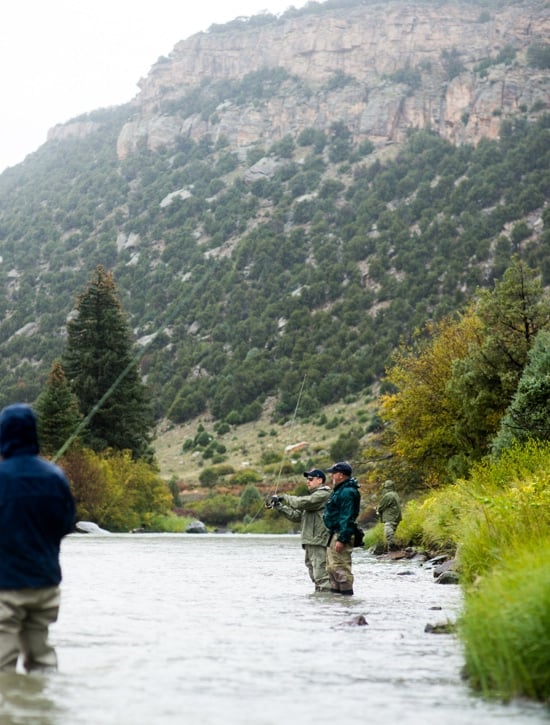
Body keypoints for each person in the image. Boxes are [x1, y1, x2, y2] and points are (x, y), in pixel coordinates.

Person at [0, 404, 75, 673]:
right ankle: (44, 711)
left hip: (6, 587)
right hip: (45, 585)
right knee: (42, 660)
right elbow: (66, 524)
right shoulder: (56, 477)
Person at [268, 469, 332, 592]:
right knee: (314, 575)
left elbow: (301, 503)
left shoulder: (323, 494)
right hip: (310, 541)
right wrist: (278, 506)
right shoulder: (312, 499)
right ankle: (321, 605)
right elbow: (296, 516)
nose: (307, 482)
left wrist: (284, 497)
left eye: (311, 479)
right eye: (307, 479)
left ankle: (329, 604)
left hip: (319, 540)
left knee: (321, 576)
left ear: (320, 480)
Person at [323, 461, 361, 595]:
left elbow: (348, 516)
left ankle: (346, 603)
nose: (332, 476)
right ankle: (337, 603)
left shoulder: (347, 492)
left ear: (340, 475)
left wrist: (342, 538)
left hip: (340, 534)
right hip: (334, 533)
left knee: (340, 569)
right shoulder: (341, 490)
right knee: (332, 569)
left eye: (334, 473)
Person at [376, 479, 402, 551]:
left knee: (388, 533)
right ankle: (392, 550)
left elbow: (381, 506)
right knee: (392, 532)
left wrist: (377, 509)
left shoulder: (388, 495)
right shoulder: (395, 494)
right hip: (396, 517)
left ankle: (392, 548)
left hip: (390, 517)